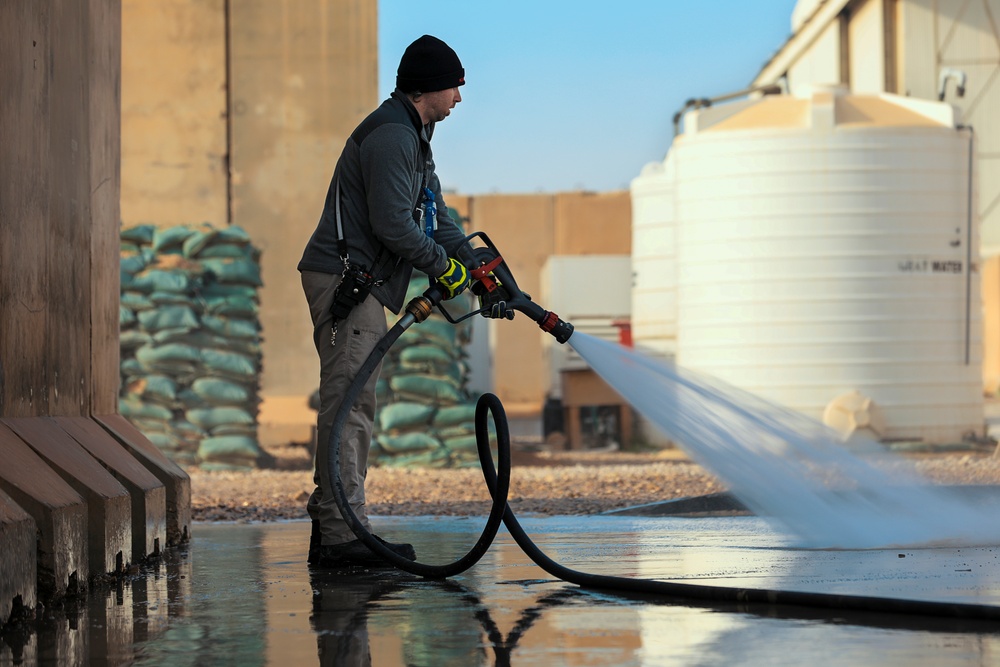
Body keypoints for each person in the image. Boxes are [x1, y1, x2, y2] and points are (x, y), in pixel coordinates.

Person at [297, 35, 475, 568]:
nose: (459, 99)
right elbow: (393, 224)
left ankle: (332, 522)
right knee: (350, 405)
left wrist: (477, 265)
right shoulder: (392, 136)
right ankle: (343, 536)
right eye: (454, 86)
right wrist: (443, 267)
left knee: (352, 403)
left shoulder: (414, 137)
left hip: (363, 282)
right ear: (427, 88)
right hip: (347, 281)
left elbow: (434, 214)